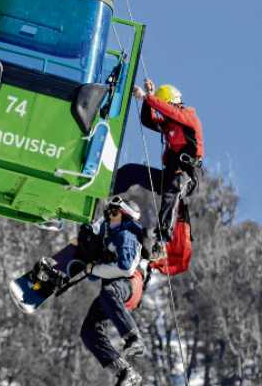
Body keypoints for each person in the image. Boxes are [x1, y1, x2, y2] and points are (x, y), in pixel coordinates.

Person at [79, 196, 149, 386]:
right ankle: (124, 372)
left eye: (114, 212)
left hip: (129, 284)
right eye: (108, 212)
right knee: (88, 330)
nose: (109, 215)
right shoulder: (110, 238)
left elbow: (126, 267)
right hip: (112, 294)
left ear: (126, 216)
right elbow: (95, 276)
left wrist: (94, 269)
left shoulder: (126, 234)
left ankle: (134, 338)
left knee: (109, 291)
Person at [132, 79, 204, 260]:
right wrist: (149, 99)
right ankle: (105, 191)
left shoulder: (189, 118)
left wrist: (148, 98)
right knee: (132, 172)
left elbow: (171, 112)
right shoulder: (170, 125)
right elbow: (148, 120)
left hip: (187, 176)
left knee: (173, 189)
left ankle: (162, 241)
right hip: (170, 174)